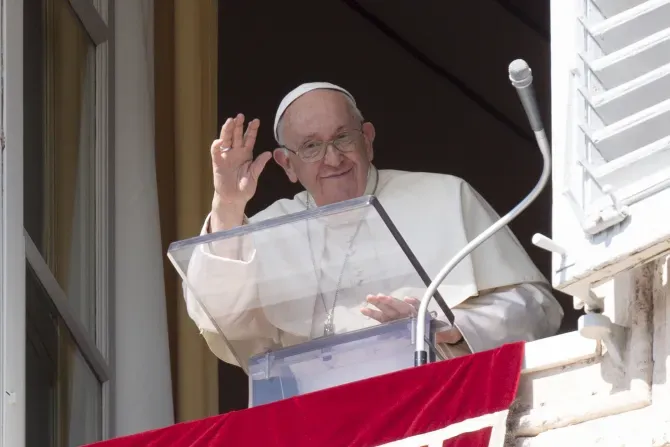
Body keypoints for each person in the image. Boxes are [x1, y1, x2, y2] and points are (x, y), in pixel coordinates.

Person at [183, 82, 564, 370]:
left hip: (435, 403)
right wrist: (228, 207)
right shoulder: (264, 231)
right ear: (287, 165)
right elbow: (221, 322)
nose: (332, 158)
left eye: (343, 138)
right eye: (311, 147)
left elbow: (539, 309)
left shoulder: (445, 195)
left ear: (367, 139)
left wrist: (446, 327)